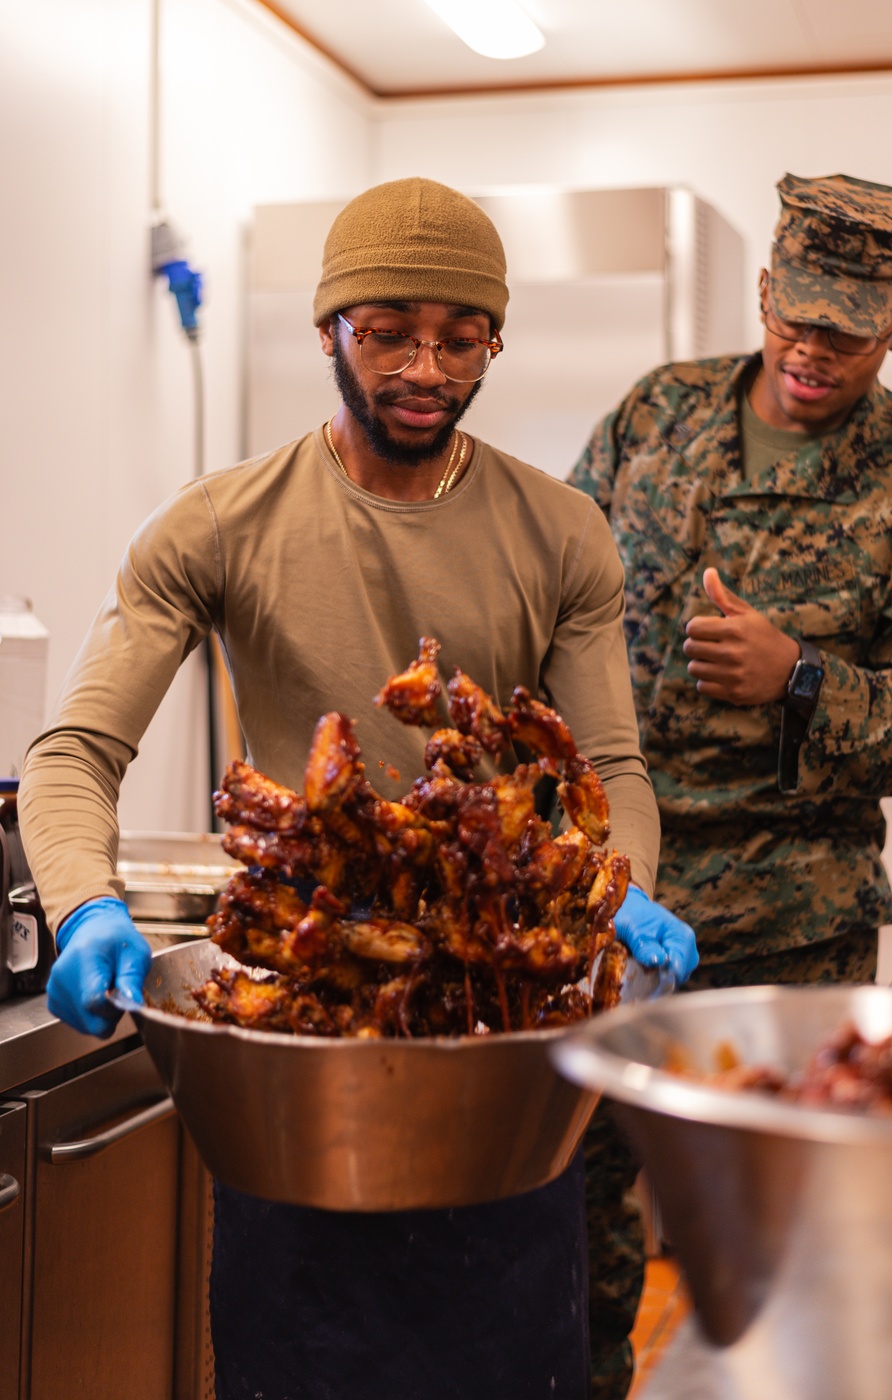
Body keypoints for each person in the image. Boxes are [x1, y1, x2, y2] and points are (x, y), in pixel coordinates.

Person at [18, 177, 698, 1400]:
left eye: (460, 334)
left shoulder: (562, 533)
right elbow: (76, 750)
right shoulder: (218, 526)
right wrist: (81, 900)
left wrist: (618, 884)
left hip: (500, 1039)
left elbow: (607, 769)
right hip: (302, 1047)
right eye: (386, 329)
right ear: (328, 327)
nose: (424, 365)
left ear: (496, 340)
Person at [570, 171, 892, 991]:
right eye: (796, 316)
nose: (812, 350)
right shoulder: (657, 414)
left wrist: (802, 680)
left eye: (849, 333)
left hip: (790, 932)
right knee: (582, 1123)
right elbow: (550, 599)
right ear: (764, 291)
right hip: (605, 892)